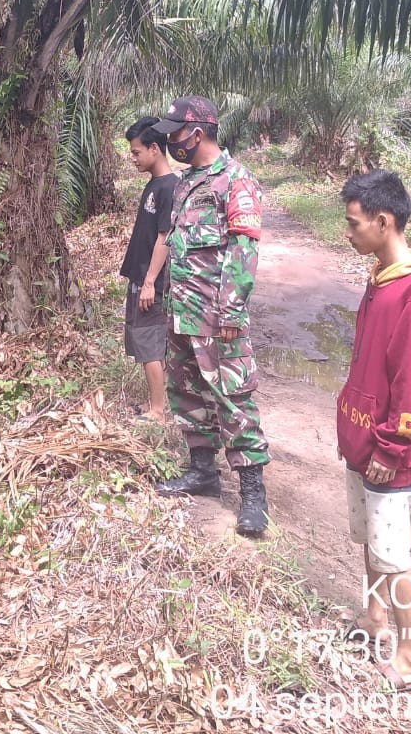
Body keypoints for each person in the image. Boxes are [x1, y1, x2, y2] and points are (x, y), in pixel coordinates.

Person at [335, 169, 411, 692]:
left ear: (384, 221)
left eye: (354, 223)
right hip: (364, 437)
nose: (347, 232)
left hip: (388, 449)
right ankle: (374, 616)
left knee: (393, 554)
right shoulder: (382, 276)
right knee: (371, 540)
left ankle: (409, 657)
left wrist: (392, 444)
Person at [150, 96, 271, 537]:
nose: (171, 142)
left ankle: (253, 493)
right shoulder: (186, 183)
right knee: (187, 393)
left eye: (176, 134)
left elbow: (244, 250)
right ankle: (202, 470)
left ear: (197, 133)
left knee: (233, 398)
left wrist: (232, 309)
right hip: (182, 313)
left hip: (218, 316)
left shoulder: (236, 181)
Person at [119, 117, 177, 422]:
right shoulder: (154, 184)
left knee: (150, 341)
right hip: (140, 275)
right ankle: (155, 402)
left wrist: (151, 281)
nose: (134, 158)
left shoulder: (169, 187)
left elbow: (165, 237)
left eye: (136, 152)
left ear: (155, 148)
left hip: (152, 280)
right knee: (143, 339)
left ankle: (157, 411)